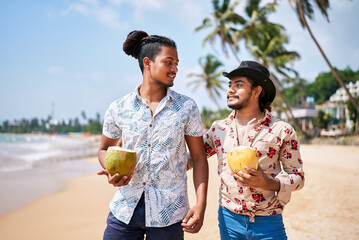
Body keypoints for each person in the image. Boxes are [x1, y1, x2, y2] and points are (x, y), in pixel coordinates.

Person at [97, 30, 208, 240]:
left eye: (177, 63)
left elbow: (199, 157)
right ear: (147, 63)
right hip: (125, 208)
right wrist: (112, 170)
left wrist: (201, 204)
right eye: (169, 62)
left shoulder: (187, 107)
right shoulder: (118, 108)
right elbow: (104, 149)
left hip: (170, 212)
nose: (175, 69)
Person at [204, 61, 305, 240]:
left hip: (269, 222)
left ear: (257, 91)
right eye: (230, 85)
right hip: (229, 220)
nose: (230, 90)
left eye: (239, 85)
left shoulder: (282, 130)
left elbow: (298, 177)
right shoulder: (218, 129)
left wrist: (269, 183)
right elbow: (193, 158)